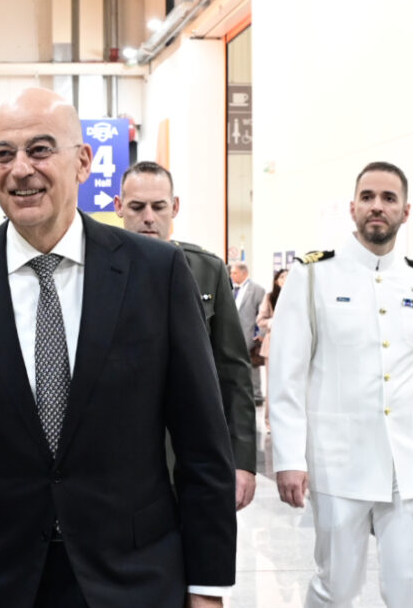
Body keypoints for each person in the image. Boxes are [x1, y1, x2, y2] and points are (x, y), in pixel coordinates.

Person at [0, 88, 235, 608]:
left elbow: (202, 443)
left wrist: (207, 583)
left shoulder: (156, 273)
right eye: (3, 154)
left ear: (82, 161)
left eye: (39, 150)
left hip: (131, 585)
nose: (20, 170)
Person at [270, 161, 413, 608]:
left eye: (389, 198)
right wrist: (288, 458)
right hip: (339, 460)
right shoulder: (314, 275)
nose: (378, 206)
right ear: (352, 207)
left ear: (405, 211)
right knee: (337, 586)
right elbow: (287, 373)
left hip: (409, 463)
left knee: (410, 587)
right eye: (368, 196)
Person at [113, 160, 257, 510]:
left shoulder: (206, 270)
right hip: (116, 455)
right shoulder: (96, 271)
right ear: (119, 207)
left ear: (175, 207)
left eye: (159, 206)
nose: (149, 217)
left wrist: (242, 461)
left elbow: (233, 371)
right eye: (137, 207)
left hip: (192, 453)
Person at [256, 268, 288, 427]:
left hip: (292, 346)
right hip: (273, 345)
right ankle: (269, 421)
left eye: (288, 276)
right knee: (272, 385)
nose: (285, 279)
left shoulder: (298, 296)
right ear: (276, 280)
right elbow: (260, 320)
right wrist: (272, 322)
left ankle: (287, 420)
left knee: (289, 384)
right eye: (282, 277)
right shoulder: (270, 297)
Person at [230, 262, 265, 405]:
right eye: (231, 273)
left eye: (235, 273)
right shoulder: (230, 289)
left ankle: (256, 395)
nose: (232, 275)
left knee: (252, 366)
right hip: (233, 334)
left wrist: (261, 334)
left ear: (244, 273)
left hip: (249, 334)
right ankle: (238, 392)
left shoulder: (257, 290)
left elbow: (262, 313)